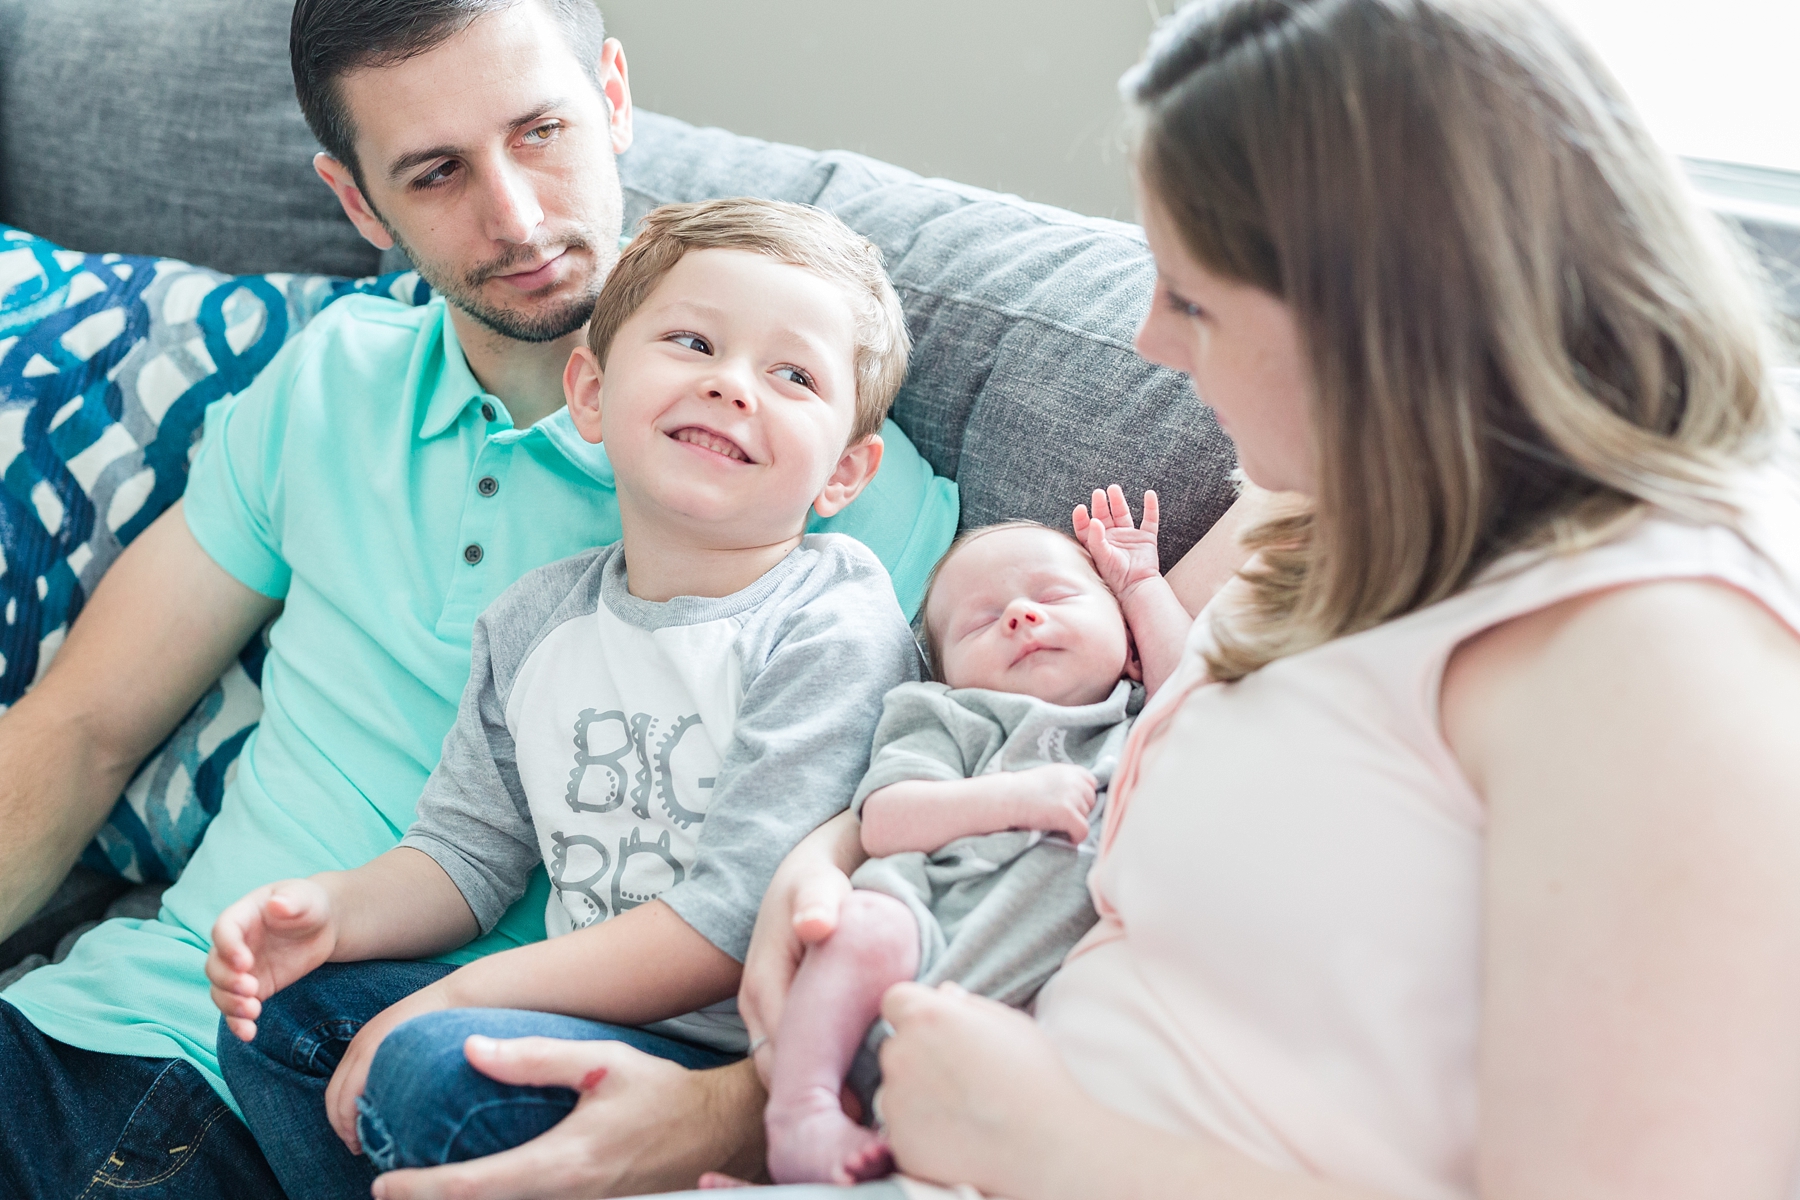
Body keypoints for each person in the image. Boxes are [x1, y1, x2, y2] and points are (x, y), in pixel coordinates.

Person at [665, 0, 1800, 1197]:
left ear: (1389, 315)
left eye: (1191, 299)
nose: (1151, 340)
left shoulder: (1658, 650)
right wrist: (825, 860)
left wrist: (1046, 1145)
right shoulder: (1341, 498)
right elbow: (1095, 732)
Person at [0, 2, 968, 1196]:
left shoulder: (817, 488)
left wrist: (723, 1115)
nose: (514, 218)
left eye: (542, 131)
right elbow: (80, 732)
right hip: (104, 1025)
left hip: (419, 1099)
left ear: (613, 97)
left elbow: (941, 861)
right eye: (437, 171)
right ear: (359, 203)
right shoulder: (328, 380)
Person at [202, 196, 924, 1194]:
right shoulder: (534, 621)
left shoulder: (832, 617)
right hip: (570, 1017)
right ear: (589, 392)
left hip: (744, 1068)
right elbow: (463, 857)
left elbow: (730, 926)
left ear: (845, 470)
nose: (729, 386)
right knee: (285, 1014)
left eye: (791, 374)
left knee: (423, 1068)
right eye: (692, 341)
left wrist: (457, 995)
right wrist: (334, 912)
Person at [764, 510, 1185, 1184]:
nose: (1019, 615)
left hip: (1038, 1007)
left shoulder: (1140, 715)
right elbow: (886, 820)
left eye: (1053, 598)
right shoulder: (949, 715)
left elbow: (1198, 691)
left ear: (1131, 647)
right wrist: (1013, 801)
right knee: (867, 923)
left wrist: (1141, 587)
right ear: (948, 675)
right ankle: (800, 1109)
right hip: (928, 932)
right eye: (979, 623)